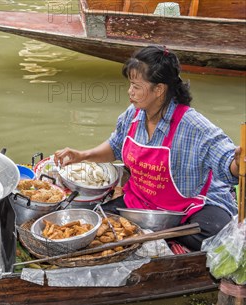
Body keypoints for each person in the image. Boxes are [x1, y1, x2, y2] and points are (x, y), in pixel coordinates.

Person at [54, 45, 243, 251]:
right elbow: (116, 146)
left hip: (186, 209)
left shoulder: (194, 126)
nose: (130, 91)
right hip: (141, 202)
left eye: (136, 86)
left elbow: (227, 163)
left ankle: (161, 239)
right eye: (130, 85)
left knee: (219, 237)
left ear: (159, 89)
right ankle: (159, 236)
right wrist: (82, 155)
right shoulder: (133, 115)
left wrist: (238, 161)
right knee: (94, 224)